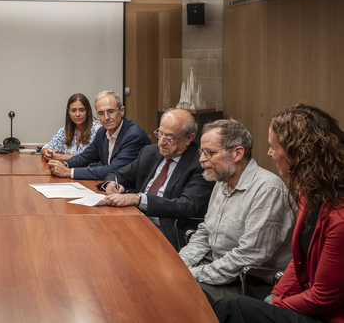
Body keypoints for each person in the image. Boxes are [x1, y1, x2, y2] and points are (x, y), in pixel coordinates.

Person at [214, 104, 344, 323]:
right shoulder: (308, 191)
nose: (269, 153)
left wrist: (276, 304)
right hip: (307, 302)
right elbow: (299, 261)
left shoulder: (339, 219)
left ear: (298, 154)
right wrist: (273, 296)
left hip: (329, 316)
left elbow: (323, 299)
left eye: (273, 147)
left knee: (232, 307)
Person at [178, 118, 294, 306]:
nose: (201, 159)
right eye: (201, 152)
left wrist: (192, 274)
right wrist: (179, 264)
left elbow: (248, 256)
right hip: (217, 265)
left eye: (209, 152)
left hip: (248, 281)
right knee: (161, 278)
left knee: (179, 295)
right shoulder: (222, 181)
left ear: (237, 153)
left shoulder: (267, 189)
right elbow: (206, 232)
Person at [103, 109, 215, 250]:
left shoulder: (200, 164)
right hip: (135, 220)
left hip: (166, 231)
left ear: (189, 138)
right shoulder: (150, 152)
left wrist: (139, 199)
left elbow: (186, 206)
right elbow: (118, 174)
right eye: (160, 134)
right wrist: (111, 183)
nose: (161, 142)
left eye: (169, 138)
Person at [48, 90, 150, 180]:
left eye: (110, 111)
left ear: (122, 111)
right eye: (101, 113)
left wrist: (69, 172)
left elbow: (114, 169)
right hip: (111, 185)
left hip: (131, 190)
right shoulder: (102, 132)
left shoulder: (134, 136)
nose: (106, 118)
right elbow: (85, 157)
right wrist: (63, 164)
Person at [41, 93, 102, 162]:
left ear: (87, 111)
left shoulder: (99, 129)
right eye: (73, 110)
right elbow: (47, 147)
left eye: (82, 110)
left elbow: (91, 159)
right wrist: (47, 153)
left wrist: (60, 157)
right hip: (65, 168)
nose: (77, 114)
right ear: (69, 112)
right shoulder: (65, 130)